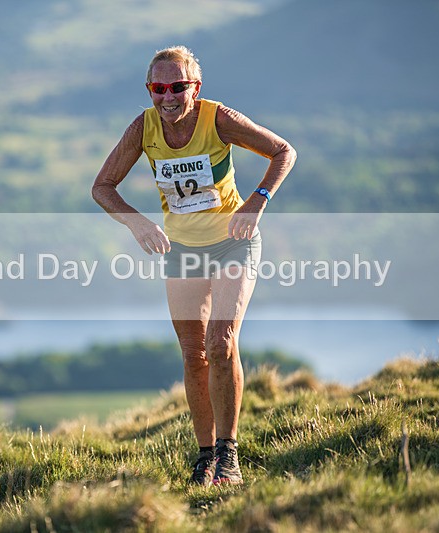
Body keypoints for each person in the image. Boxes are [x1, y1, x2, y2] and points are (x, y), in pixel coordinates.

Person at [91, 45, 296, 486]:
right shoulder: (143, 129)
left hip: (233, 244)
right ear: (150, 89)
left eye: (178, 87)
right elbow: (103, 187)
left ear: (195, 87)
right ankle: (205, 457)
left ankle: (229, 455)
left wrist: (257, 202)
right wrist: (138, 225)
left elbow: (283, 152)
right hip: (182, 251)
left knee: (221, 342)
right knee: (194, 353)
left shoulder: (217, 118)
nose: (167, 97)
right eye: (157, 88)